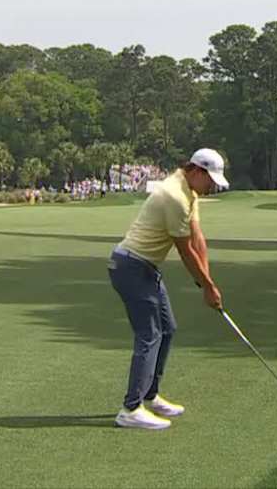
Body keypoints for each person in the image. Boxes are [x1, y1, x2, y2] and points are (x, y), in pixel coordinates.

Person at [107, 148, 227, 431]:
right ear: (197, 171)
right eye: (210, 180)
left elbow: (198, 238)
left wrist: (206, 282)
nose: (212, 187)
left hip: (146, 269)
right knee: (149, 335)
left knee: (167, 329)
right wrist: (208, 288)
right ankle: (131, 408)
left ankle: (150, 394)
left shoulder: (189, 192)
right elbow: (185, 251)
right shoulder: (174, 195)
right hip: (131, 268)